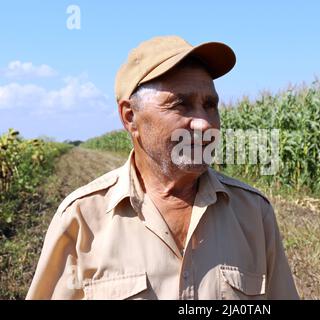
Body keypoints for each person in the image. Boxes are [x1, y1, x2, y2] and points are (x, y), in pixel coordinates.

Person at [26, 35, 299, 300]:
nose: (204, 123)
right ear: (130, 117)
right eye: (181, 104)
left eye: (210, 105)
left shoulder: (254, 213)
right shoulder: (81, 218)